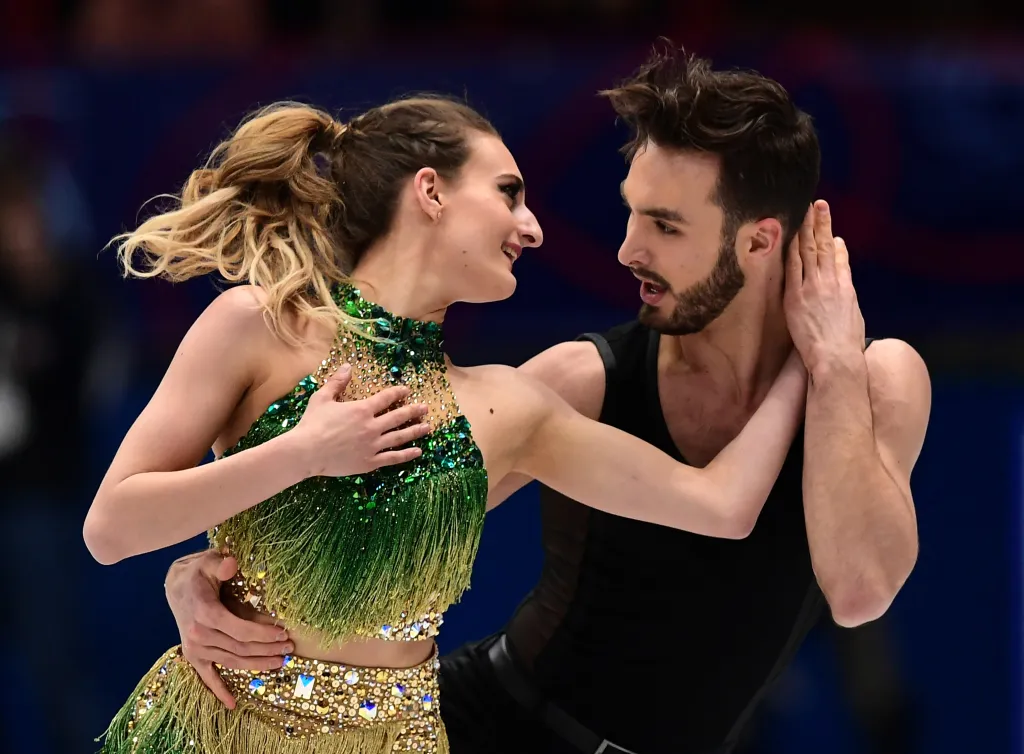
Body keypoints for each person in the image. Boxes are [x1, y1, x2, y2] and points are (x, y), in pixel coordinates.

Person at [160, 48, 932, 753]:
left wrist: (827, 365)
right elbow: (355, 526)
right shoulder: (583, 378)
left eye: (664, 225)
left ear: (759, 242)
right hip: (494, 727)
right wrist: (207, 583)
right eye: (632, 211)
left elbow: (860, 590)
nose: (628, 249)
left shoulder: (877, 381)